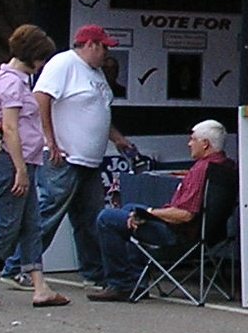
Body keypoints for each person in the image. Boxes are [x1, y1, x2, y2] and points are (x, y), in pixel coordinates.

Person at [2, 25, 135, 287]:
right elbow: (41, 98)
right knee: (48, 213)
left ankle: (93, 273)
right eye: (104, 47)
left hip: (89, 160)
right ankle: (17, 266)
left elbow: (94, 111)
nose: (107, 54)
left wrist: (117, 138)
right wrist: (50, 141)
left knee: (89, 219)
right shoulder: (64, 64)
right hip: (64, 157)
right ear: (91, 44)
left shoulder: (95, 74)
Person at [0, 25, 70, 309]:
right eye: (42, 58)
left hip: (19, 161)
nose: (43, 64)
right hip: (11, 162)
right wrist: (20, 169)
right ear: (33, 55)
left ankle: (40, 286)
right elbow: (10, 128)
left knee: (30, 223)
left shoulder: (11, 78)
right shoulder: (13, 83)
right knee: (7, 224)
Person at [88, 119, 233, 302]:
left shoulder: (202, 169)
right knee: (129, 209)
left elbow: (185, 214)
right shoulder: (225, 165)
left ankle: (121, 283)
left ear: (205, 144)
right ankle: (136, 281)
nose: (189, 143)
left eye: (192, 139)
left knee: (107, 218)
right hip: (209, 234)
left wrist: (149, 213)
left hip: (179, 235)